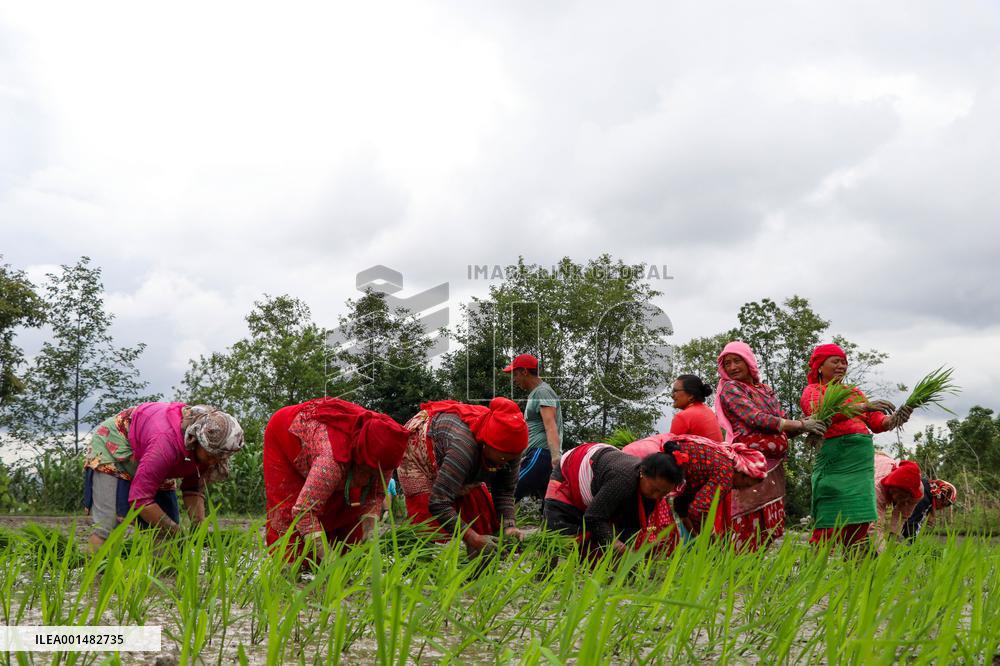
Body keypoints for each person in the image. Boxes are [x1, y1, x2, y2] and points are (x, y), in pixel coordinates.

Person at [82, 402, 244, 552]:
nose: (214, 461)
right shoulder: (165, 446)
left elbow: (192, 489)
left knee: (166, 532)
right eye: (211, 455)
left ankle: (166, 573)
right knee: (107, 527)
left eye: (221, 457)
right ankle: (97, 572)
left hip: (151, 452)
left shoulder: (210, 452)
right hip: (115, 445)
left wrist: (199, 528)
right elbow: (140, 499)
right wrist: (177, 531)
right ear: (196, 440)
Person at [263, 397, 410, 561]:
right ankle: (292, 565)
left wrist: (370, 537)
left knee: (350, 517)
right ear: (362, 462)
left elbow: (375, 495)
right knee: (292, 527)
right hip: (286, 435)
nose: (376, 476)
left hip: (342, 456)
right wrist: (329, 559)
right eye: (370, 471)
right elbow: (303, 512)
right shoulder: (331, 461)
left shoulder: (385, 452)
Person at [715, 341, 827, 550]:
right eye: (727, 363)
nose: (732, 367)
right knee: (748, 521)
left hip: (774, 466)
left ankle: (755, 565)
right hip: (750, 466)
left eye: (737, 361)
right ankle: (740, 565)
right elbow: (754, 418)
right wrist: (801, 424)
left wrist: (808, 424)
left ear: (748, 361)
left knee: (766, 529)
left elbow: (783, 423)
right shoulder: (731, 388)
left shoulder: (765, 390)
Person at [801, 343, 913, 552]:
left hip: (860, 465)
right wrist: (863, 406)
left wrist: (896, 418)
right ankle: (814, 565)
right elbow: (822, 411)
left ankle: (854, 566)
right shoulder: (812, 391)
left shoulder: (853, 392)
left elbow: (877, 421)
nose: (841, 366)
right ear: (819, 366)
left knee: (860, 522)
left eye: (844, 362)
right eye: (835, 361)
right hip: (836, 462)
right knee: (829, 519)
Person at [397, 397, 528, 556]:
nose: (503, 464)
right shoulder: (463, 447)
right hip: (420, 453)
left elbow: (504, 490)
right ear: (485, 444)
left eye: (510, 458)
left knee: (481, 518)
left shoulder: (511, 450)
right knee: (433, 536)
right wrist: (472, 538)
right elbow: (438, 502)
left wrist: (509, 526)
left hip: (463, 456)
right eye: (501, 458)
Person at [544, 442, 683, 555]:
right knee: (556, 543)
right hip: (569, 474)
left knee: (603, 552)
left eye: (664, 493)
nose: (657, 496)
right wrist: (618, 546)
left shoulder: (650, 492)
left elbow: (632, 526)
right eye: (654, 489)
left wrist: (633, 550)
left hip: (602, 486)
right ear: (643, 473)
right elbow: (593, 517)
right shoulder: (623, 479)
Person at [624, 432, 767, 539]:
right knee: (655, 532)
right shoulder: (726, 475)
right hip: (650, 465)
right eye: (746, 484)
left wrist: (698, 538)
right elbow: (699, 509)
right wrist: (710, 537)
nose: (742, 489)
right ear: (742, 472)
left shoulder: (720, 461)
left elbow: (682, 505)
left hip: (639, 456)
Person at [504, 354, 564, 502]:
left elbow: (550, 425)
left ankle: (488, 518)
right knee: (550, 506)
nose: (514, 379)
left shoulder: (542, 392)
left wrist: (556, 458)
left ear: (525, 372)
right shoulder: (536, 393)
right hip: (539, 454)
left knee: (507, 493)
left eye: (515, 374)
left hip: (542, 454)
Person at [872, 454, 925, 548]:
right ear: (890, 487)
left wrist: (892, 539)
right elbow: (874, 526)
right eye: (894, 492)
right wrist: (883, 553)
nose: (895, 497)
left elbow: (901, 516)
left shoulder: (917, 492)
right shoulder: (877, 488)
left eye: (901, 495)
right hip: (870, 465)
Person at [669, 375, 724, 442]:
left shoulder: (682, 417)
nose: (672, 395)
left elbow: (669, 446)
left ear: (690, 395)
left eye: (675, 391)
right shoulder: (707, 410)